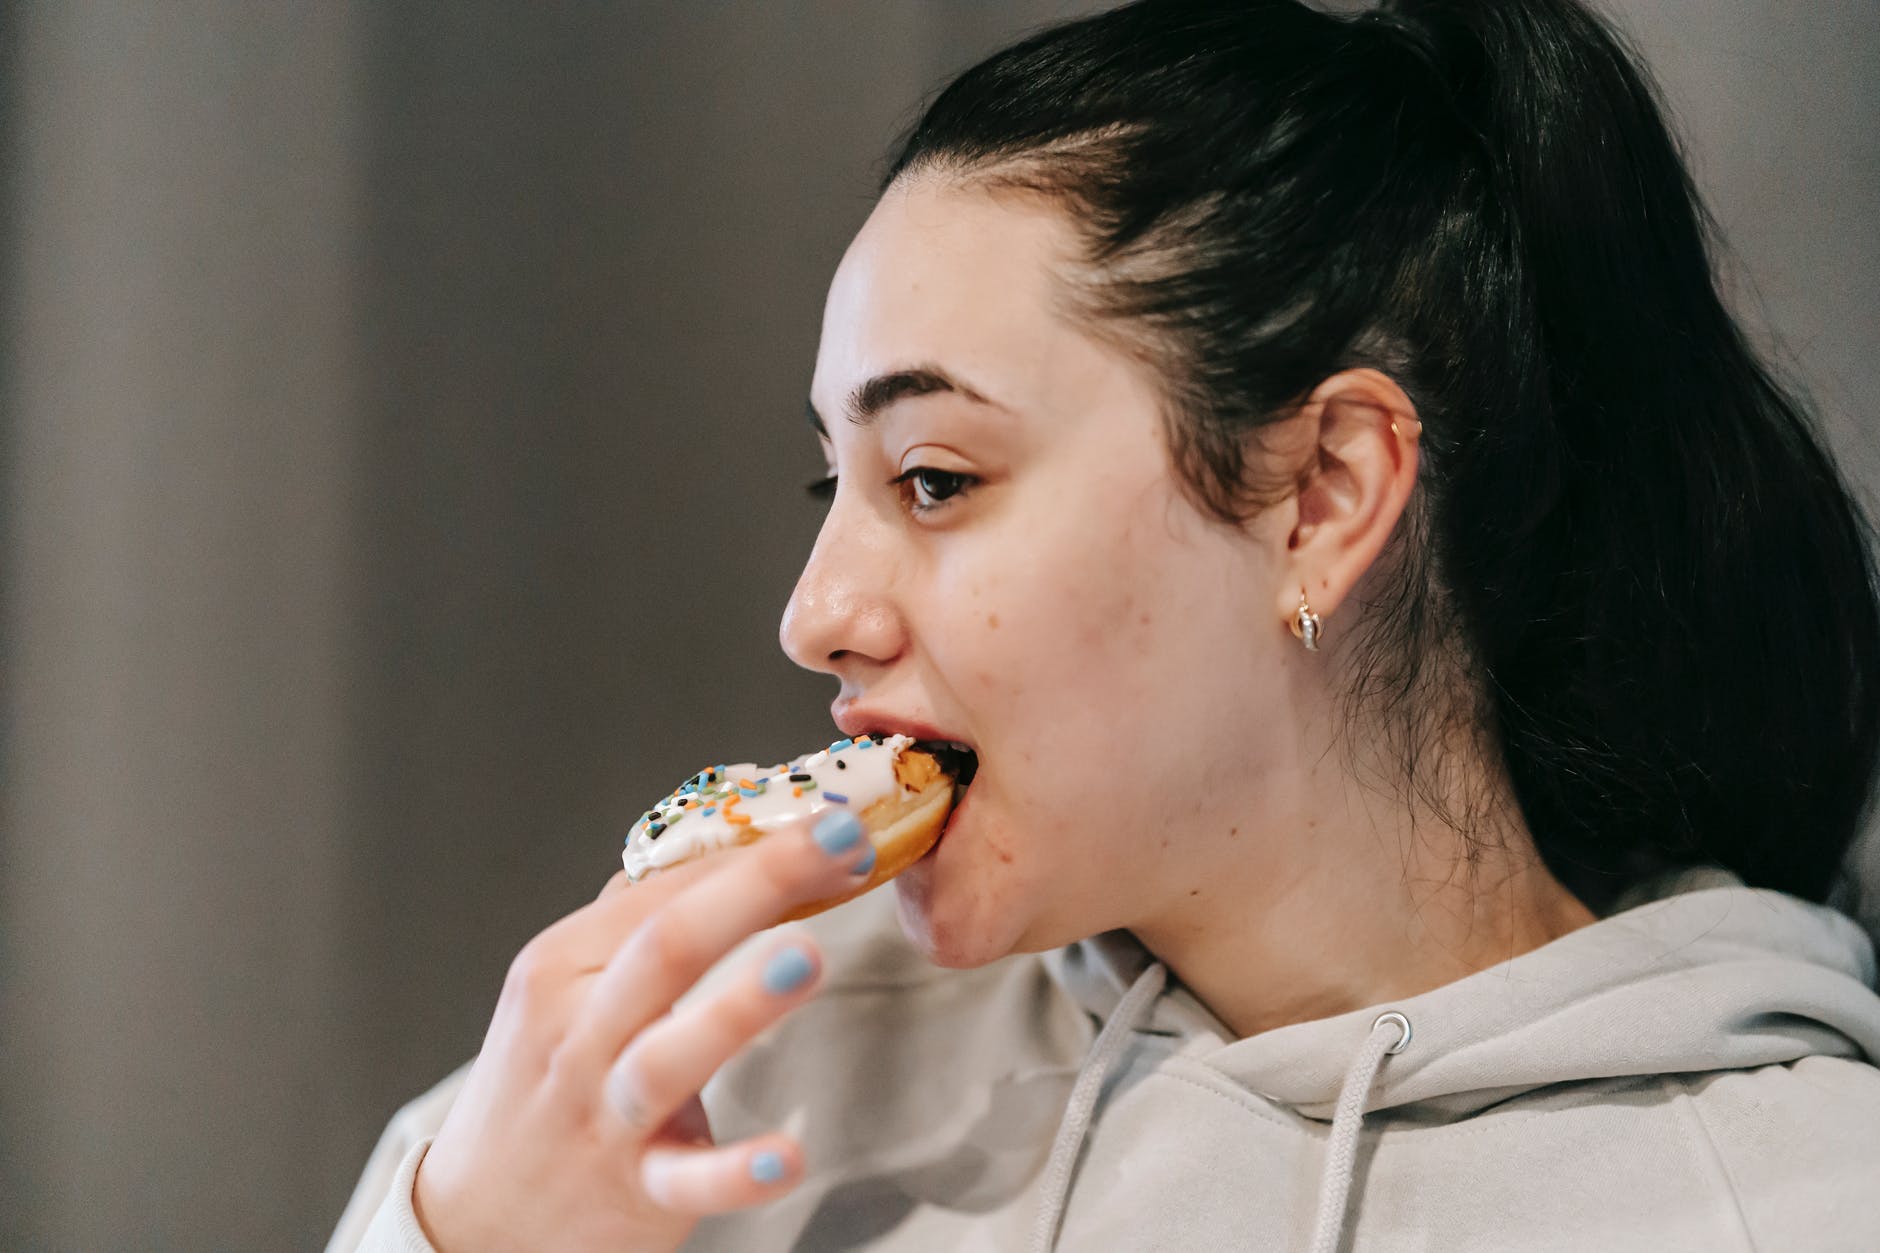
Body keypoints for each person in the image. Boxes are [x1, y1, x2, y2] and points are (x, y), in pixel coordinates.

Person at [329, 0, 1880, 1248]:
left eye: (933, 477)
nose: (816, 617)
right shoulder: (697, 1100)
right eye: (835, 484)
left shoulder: (1810, 1195)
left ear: (1324, 494)